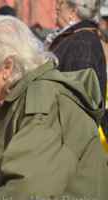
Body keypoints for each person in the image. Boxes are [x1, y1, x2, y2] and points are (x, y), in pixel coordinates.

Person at [0, 16, 108, 200]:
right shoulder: (25, 96)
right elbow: (8, 167)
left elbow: (27, 194)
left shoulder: (43, 104)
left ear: (7, 67)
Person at [49, 0, 108, 135]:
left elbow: (81, 98)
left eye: (61, 4)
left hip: (72, 137)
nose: (56, 7)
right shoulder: (76, 38)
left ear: (72, 11)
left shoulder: (83, 41)